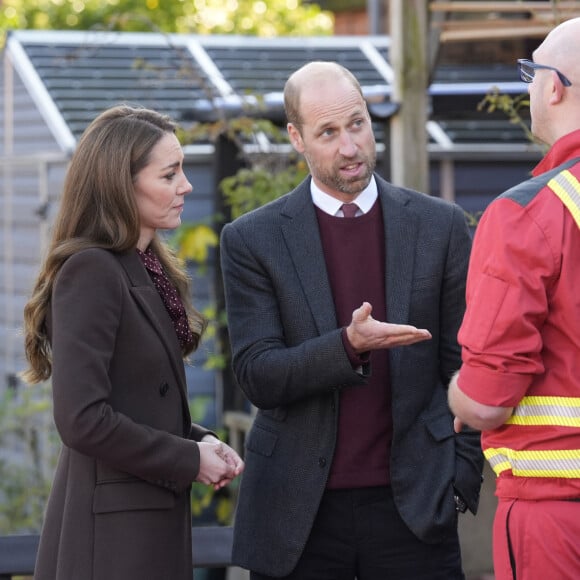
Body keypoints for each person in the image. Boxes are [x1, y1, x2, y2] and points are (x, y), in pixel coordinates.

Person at [220, 61, 483, 580]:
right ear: (296, 137)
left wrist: (460, 477)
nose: (349, 147)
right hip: (299, 515)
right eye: (328, 132)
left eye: (357, 124)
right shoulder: (253, 239)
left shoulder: (441, 226)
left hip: (416, 506)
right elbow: (258, 375)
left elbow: (468, 363)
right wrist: (347, 346)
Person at [21, 105, 244, 580]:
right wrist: (188, 459)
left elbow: (139, 401)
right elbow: (81, 420)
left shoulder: (143, 265)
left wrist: (201, 442)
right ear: (121, 184)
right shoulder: (92, 270)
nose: (185, 185)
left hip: (145, 522)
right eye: (170, 174)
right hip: (114, 542)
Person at [448, 17, 580, 580]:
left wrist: (456, 392)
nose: (529, 85)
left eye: (531, 71)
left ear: (555, 86)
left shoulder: (528, 214)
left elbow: (486, 404)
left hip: (557, 512)